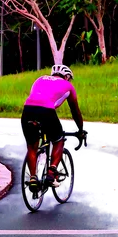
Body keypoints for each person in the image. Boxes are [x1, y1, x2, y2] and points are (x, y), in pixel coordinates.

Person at [21, 64, 85, 192]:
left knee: (32, 147)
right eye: (69, 78)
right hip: (46, 111)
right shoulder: (68, 86)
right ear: (67, 76)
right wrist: (80, 129)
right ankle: (51, 172)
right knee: (58, 140)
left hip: (27, 110)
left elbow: (36, 97)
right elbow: (75, 111)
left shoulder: (39, 79)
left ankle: (33, 179)